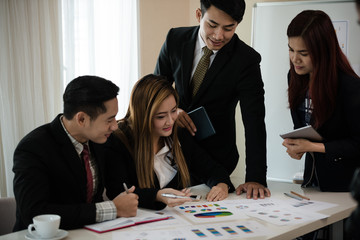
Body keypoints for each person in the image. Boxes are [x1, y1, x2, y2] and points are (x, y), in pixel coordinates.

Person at [154, 0, 270, 199]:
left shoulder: (246, 60)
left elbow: (254, 120)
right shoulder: (175, 38)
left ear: (237, 24)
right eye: (212, 25)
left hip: (216, 159)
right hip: (173, 153)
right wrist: (174, 111)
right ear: (199, 15)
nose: (218, 36)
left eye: (228, 28)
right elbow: (155, 91)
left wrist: (256, 177)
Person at [13, 76, 139, 231]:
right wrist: (112, 209)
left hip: (90, 233)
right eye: (109, 120)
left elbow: (117, 187)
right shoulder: (33, 148)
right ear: (81, 119)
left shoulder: (100, 139)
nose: (115, 126)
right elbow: (34, 213)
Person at [104, 74, 234, 210]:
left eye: (173, 111)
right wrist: (157, 196)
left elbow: (211, 169)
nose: (171, 121)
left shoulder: (179, 134)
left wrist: (222, 185)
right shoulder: (118, 141)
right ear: (143, 116)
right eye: (161, 116)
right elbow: (118, 193)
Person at [282, 10, 360, 192]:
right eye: (291, 49)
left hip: (345, 187)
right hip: (312, 181)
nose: (295, 59)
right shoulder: (294, 76)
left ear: (323, 51)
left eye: (303, 53)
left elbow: (357, 144)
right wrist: (296, 145)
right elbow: (303, 127)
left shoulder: (349, 86)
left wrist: (313, 146)